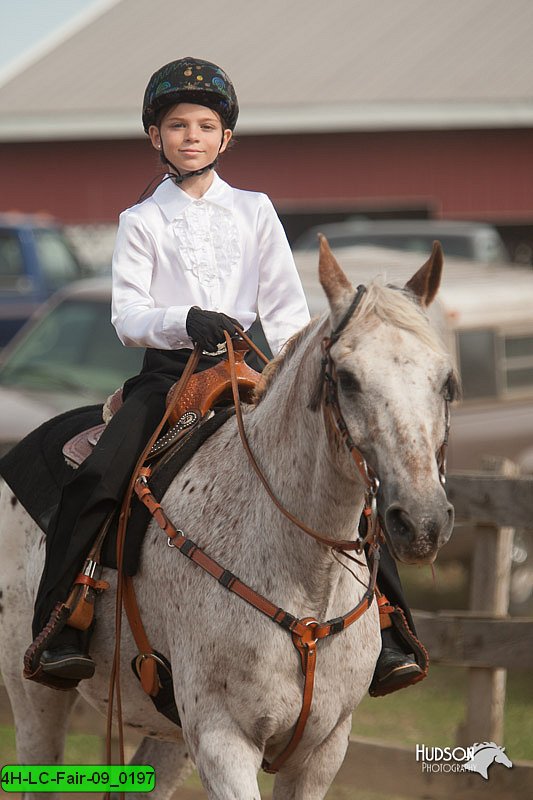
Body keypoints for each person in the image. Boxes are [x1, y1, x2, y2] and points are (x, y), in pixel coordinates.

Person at [26, 57, 423, 693]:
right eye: (177, 125)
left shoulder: (256, 210)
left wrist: (296, 368)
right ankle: (62, 623)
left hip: (256, 367)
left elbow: (288, 309)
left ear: (226, 137)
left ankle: (389, 624)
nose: (192, 136)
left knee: (351, 469)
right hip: (170, 373)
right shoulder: (142, 221)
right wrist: (185, 321)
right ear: (154, 136)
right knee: (101, 475)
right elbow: (128, 317)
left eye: (205, 125)